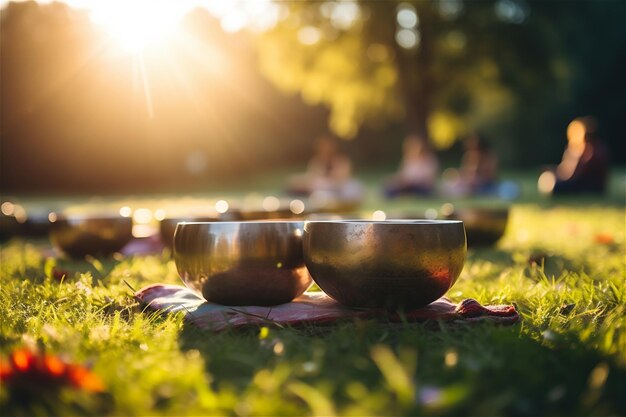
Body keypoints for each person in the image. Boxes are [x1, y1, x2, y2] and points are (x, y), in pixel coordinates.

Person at [286, 135, 363, 204]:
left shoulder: (341, 160)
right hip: (325, 191)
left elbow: (342, 177)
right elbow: (312, 179)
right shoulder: (316, 162)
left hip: (341, 190)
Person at [548, 116, 609, 195]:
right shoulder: (597, 147)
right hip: (589, 185)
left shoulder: (589, 151)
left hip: (588, 187)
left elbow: (575, 175)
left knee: (554, 185)